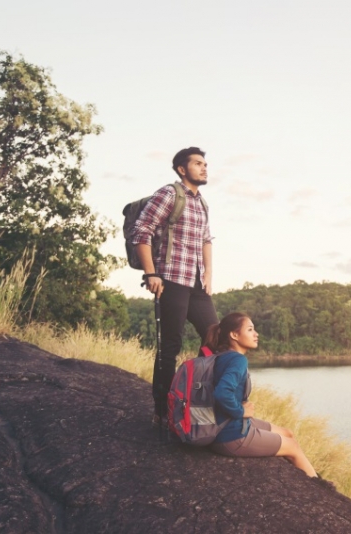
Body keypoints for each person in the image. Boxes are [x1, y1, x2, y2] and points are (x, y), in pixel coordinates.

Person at [131, 147, 218, 425]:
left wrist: (208, 275)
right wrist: (151, 273)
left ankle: (195, 395)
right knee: (171, 345)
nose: (204, 168)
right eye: (197, 163)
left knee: (215, 338)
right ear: (182, 169)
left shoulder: (202, 203)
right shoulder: (168, 194)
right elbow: (141, 231)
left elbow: (206, 239)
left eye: (205, 164)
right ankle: (162, 410)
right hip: (170, 278)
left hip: (195, 282)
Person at [205, 312, 321, 479]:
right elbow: (222, 393)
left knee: (287, 433)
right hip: (230, 436)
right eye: (250, 329)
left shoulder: (219, 357)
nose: (256, 334)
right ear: (234, 335)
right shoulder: (238, 360)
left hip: (222, 427)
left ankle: (304, 478)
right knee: (293, 447)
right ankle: (318, 489)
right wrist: (241, 411)